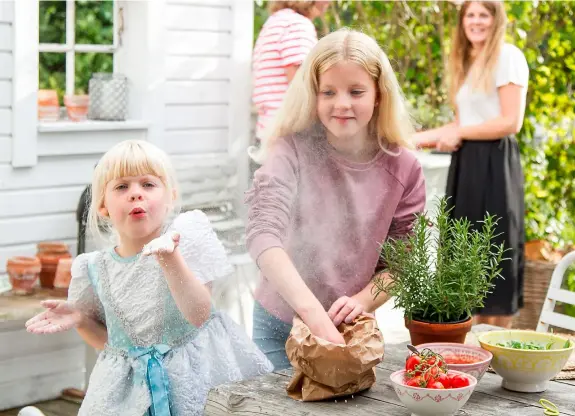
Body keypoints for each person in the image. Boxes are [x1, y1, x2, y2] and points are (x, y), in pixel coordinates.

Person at [25, 140, 273, 415]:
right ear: (103, 206)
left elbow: (199, 314)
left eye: (148, 184)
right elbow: (114, 347)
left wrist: (170, 258)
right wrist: (82, 320)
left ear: (170, 198)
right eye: (122, 186)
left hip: (196, 382)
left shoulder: (185, 239)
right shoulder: (95, 268)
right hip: (130, 396)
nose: (136, 194)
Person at [246, 28, 427, 370]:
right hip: (278, 327)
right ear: (313, 96)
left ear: (378, 95)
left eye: (356, 91)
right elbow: (262, 234)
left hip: (347, 330)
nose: (341, 103)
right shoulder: (292, 149)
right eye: (328, 92)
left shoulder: (404, 168)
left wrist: (361, 302)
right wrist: (313, 314)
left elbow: (402, 265)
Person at [413, 1, 529, 329]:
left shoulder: (508, 57)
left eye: (483, 14)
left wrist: (457, 132)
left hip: (494, 164)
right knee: (463, 253)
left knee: (494, 252)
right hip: (466, 166)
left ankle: (494, 347)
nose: (475, 21)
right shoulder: (468, 62)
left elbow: (510, 121)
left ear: (496, 20)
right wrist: (408, 138)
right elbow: (460, 126)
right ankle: (465, 344)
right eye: (469, 15)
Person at [252, 1, 330, 149]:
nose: (329, 2)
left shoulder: (275, 22)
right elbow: (301, 87)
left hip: (268, 132)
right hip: (289, 138)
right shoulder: (297, 25)